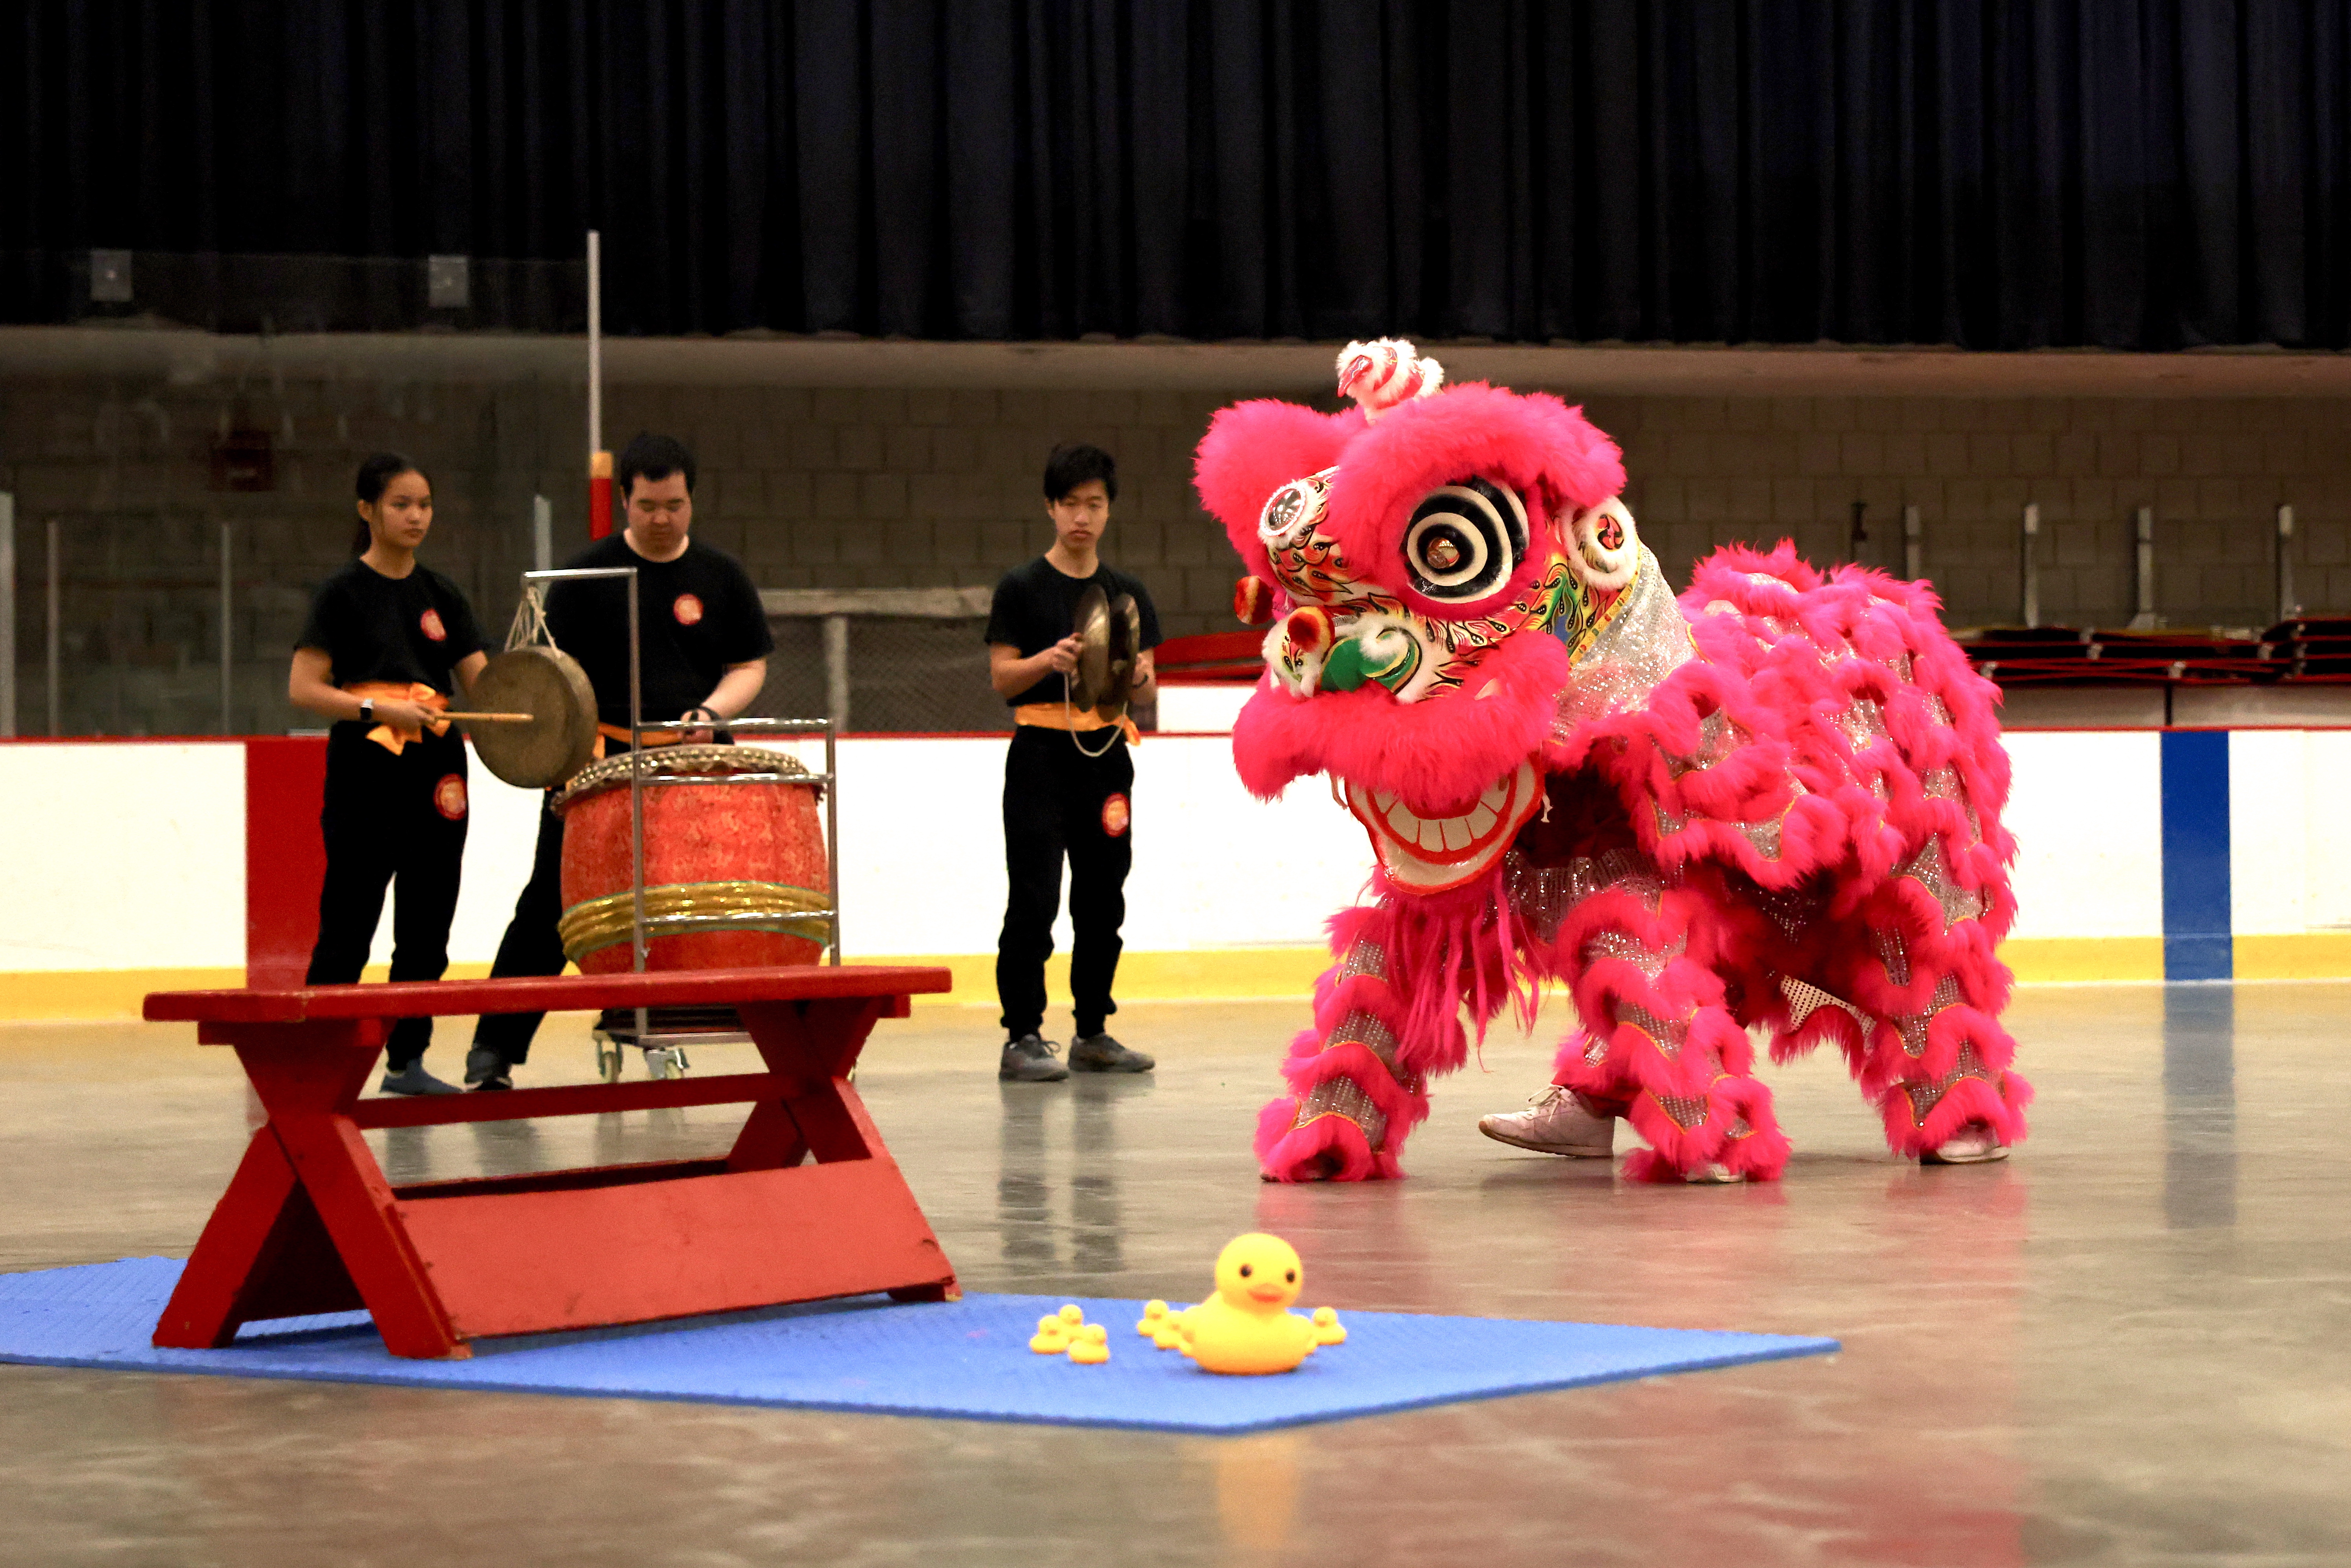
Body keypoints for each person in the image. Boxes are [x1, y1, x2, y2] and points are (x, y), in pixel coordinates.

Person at [465, 433, 774, 1089]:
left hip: (688, 770)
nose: (662, 519)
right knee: (552, 902)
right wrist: (567, 767)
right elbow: (545, 683)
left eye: (675, 505)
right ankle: (494, 1048)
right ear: (624, 502)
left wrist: (711, 715)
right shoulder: (584, 581)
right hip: (594, 766)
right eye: (647, 506)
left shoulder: (722, 578)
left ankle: (662, 1022)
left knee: (681, 902)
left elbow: (748, 666)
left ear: (692, 500)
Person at [287, 454, 488, 1095]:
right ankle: (316, 1065)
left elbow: (484, 691)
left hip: (438, 772)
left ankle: (408, 1062)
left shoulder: (443, 594)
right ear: (367, 511)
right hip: (365, 768)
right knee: (348, 926)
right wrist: (378, 707)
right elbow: (304, 689)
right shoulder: (342, 593)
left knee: (427, 930)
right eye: (401, 504)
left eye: (424, 504)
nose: (415, 516)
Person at [984, 443, 1162, 1082]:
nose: (1081, 517)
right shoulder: (1022, 587)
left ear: (1109, 510)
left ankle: (1093, 1030)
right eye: (1070, 505)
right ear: (1050, 509)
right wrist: (1046, 662)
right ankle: (1022, 1035)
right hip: (1038, 754)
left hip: (1107, 757)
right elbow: (1003, 679)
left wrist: (1139, 672)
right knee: (1033, 897)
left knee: (1102, 897)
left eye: (1094, 504)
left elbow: (1144, 690)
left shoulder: (1127, 592)